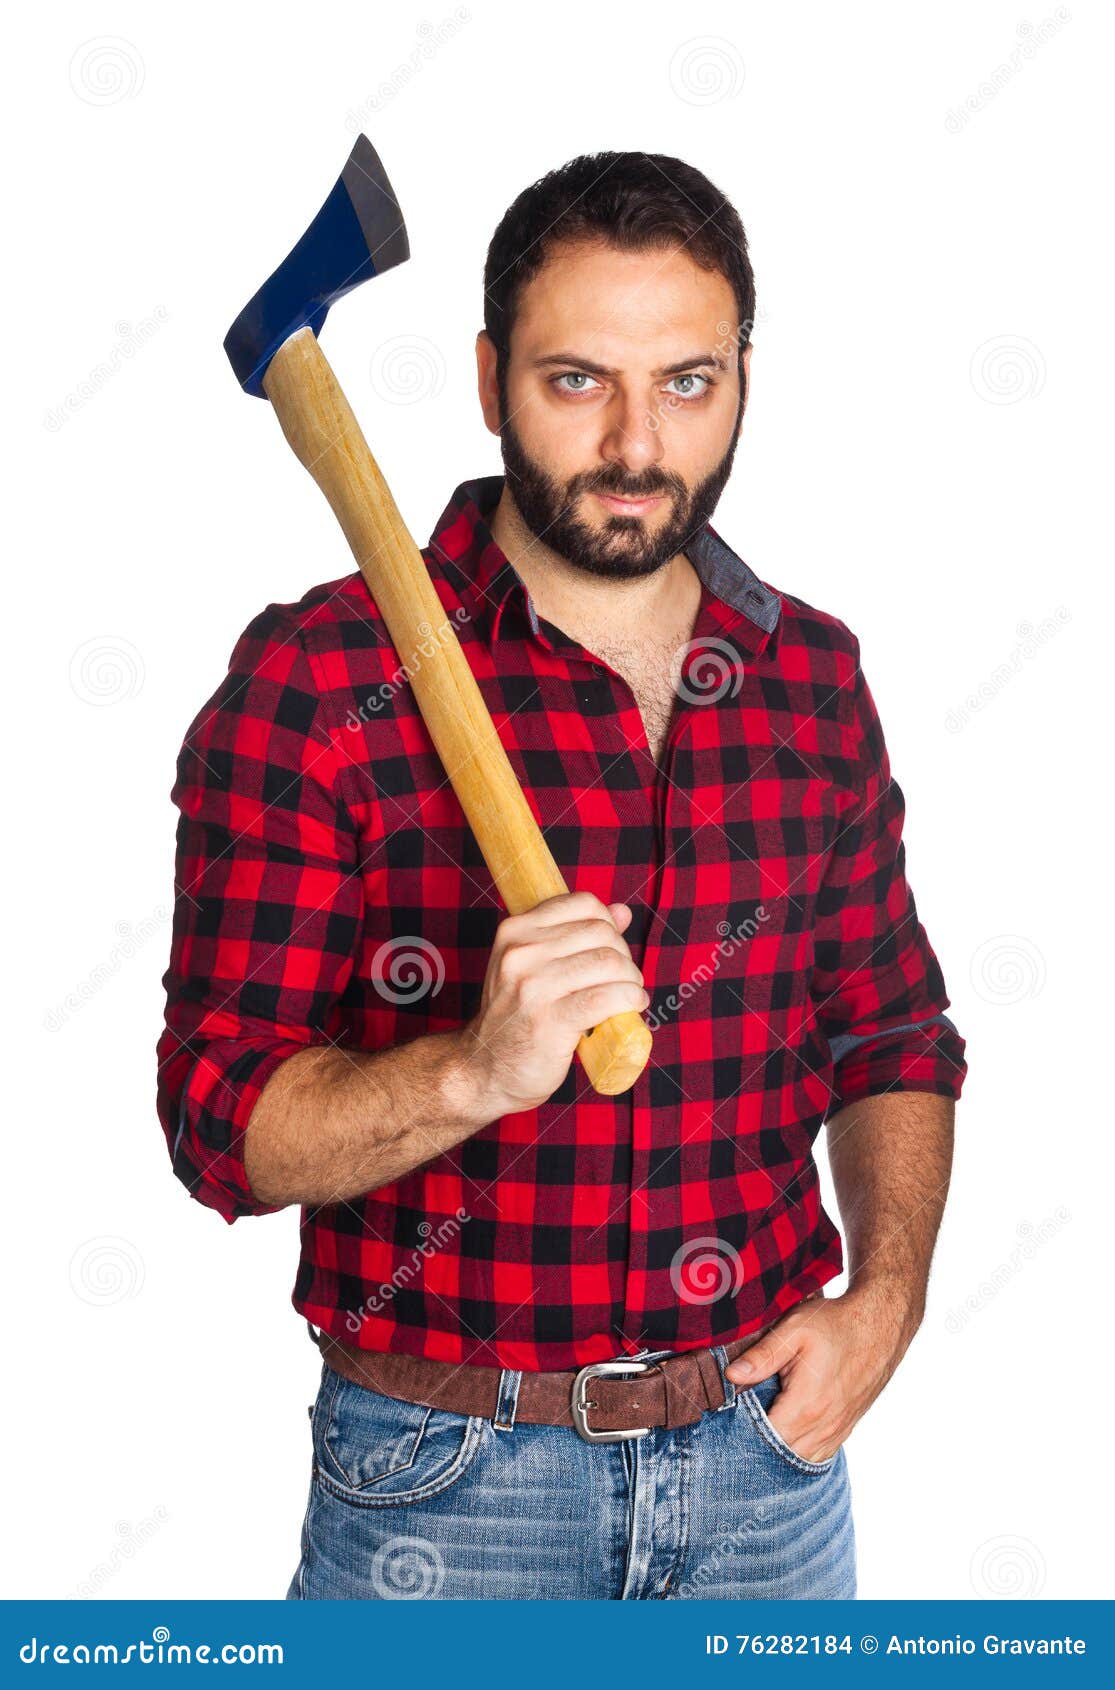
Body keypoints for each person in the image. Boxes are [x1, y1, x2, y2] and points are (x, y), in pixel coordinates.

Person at [157, 151, 968, 1601]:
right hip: (447, 1482)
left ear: (744, 380)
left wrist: (888, 1302)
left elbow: (891, 1031)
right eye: (578, 380)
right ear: (490, 381)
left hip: (772, 1464)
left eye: (688, 381)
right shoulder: (319, 680)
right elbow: (222, 1119)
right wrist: (471, 1070)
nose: (637, 444)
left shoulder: (810, 676)